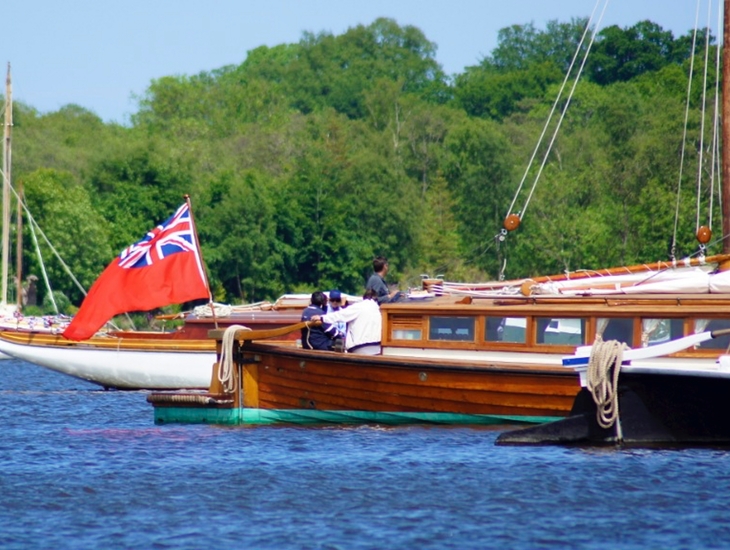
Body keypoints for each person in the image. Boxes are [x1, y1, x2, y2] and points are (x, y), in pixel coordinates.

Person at [312, 289, 382, 355]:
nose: (335, 302)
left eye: (337, 300)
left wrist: (322, 318)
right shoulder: (379, 310)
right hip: (377, 347)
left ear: (364, 298)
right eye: (333, 300)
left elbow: (341, 315)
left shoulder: (359, 307)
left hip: (359, 347)